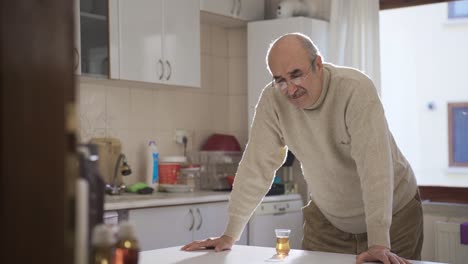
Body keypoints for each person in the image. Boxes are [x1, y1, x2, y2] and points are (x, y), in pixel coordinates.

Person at [182, 33, 423, 264]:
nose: (290, 88)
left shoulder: (355, 90)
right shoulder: (273, 101)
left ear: (318, 64)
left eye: (296, 75)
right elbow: (256, 166)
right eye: (280, 80)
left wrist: (379, 242)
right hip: (329, 218)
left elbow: (375, 168)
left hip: (393, 214)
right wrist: (230, 235)